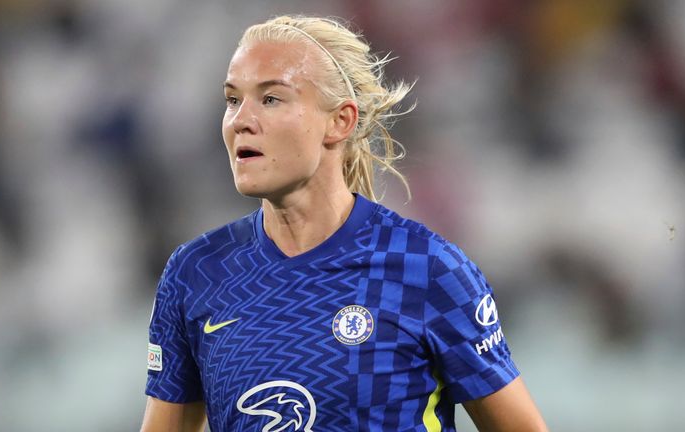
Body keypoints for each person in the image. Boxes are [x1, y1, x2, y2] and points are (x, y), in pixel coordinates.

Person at [140, 14, 547, 432]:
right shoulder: (197, 273)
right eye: (232, 100)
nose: (241, 120)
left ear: (340, 122)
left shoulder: (425, 269)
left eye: (271, 99)